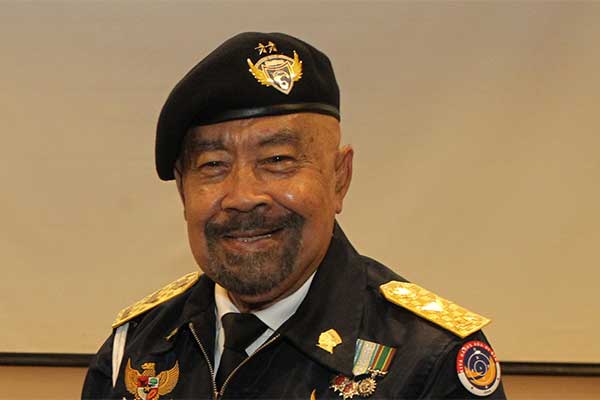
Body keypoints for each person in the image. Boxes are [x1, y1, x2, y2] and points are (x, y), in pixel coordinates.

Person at [82, 32, 506, 400]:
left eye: (278, 160)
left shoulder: (429, 361)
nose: (243, 197)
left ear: (339, 178)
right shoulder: (136, 348)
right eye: (213, 165)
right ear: (182, 190)